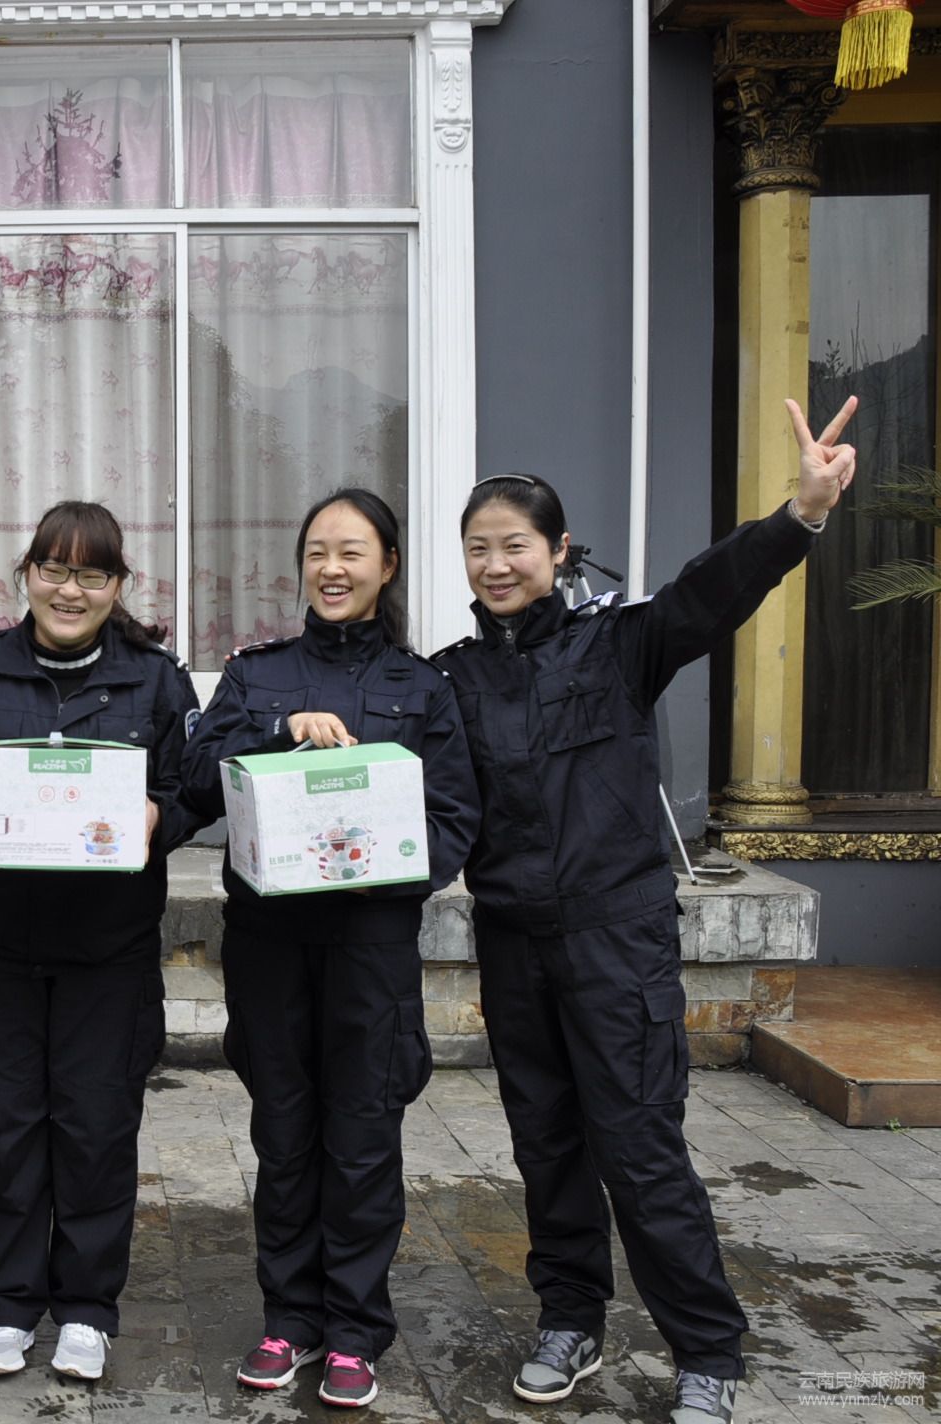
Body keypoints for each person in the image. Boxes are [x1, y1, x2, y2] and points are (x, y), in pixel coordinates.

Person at [433, 397, 859, 1424]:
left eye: (514, 544)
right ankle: (569, 1318)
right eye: (478, 548)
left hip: (614, 940)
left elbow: (710, 592)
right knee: (545, 1144)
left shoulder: (619, 644)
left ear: (557, 549)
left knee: (637, 1147)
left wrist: (800, 513)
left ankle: (706, 1349)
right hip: (512, 940)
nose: (495, 564)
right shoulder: (450, 678)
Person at [179, 489, 480, 1409]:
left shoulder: (423, 688)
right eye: (317, 552)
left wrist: (378, 867)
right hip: (269, 945)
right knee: (283, 1134)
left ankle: (353, 1329)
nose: (332, 568)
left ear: (388, 565)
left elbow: (454, 818)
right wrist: (280, 730)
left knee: (361, 1139)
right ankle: (289, 1321)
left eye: (351, 552)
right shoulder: (256, 675)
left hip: (369, 945)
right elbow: (194, 779)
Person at [0, 500, 202, 1384]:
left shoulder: (157, 680)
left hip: (109, 949)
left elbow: (193, 790)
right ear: (27, 574)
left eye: (91, 574)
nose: (69, 590)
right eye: (53, 569)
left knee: (96, 1127)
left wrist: (160, 816)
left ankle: (86, 1307)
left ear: (118, 585)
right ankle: (6, 1304)